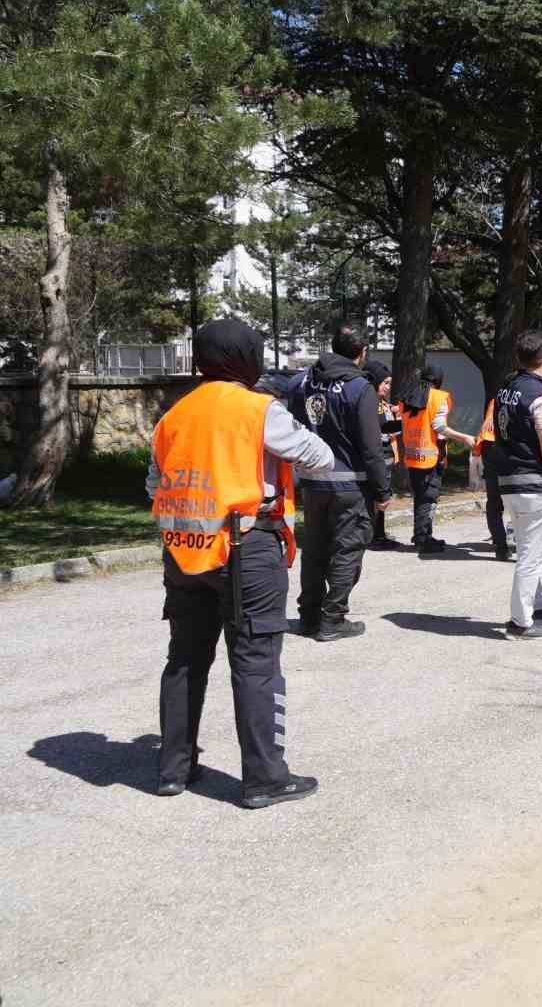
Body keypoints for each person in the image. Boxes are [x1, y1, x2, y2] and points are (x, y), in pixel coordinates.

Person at [148, 318, 333, 808]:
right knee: (255, 662)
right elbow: (320, 457)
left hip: (184, 547)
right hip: (245, 547)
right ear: (245, 357)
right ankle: (265, 779)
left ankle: (173, 768)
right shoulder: (259, 409)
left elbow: (155, 485)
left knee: (186, 658)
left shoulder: (174, 415)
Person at [287, 321, 392, 642]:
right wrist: (382, 489)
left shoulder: (300, 382)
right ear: (362, 353)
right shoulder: (360, 388)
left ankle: (308, 615)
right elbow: (371, 446)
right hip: (350, 486)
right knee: (347, 550)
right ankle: (333, 619)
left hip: (312, 482)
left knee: (315, 549)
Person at [492, 331, 542, 640]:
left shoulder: (504, 390)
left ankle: (536, 607)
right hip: (534, 484)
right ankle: (521, 623)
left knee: (527, 549)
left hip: (508, 482)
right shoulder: (541, 396)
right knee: (531, 556)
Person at [398, 365, 475, 553]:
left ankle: (421, 535)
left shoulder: (406, 398)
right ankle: (424, 539)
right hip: (431, 457)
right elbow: (439, 426)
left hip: (412, 456)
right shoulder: (439, 397)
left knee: (420, 497)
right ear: (438, 381)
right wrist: (464, 437)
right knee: (429, 498)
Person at [362, 359, 402, 549]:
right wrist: (404, 424)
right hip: (378, 454)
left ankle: (378, 533)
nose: (387, 387)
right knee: (378, 497)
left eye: (389, 384)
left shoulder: (381, 402)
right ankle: (375, 536)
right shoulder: (373, 402)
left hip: (385, 455)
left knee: (380, 497)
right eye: (385, 383)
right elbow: (383, 428)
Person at [472, 398, 510, 561]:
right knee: (518, 499)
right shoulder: (524, 394)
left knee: (494, 501)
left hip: (490, 446)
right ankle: (519, 545)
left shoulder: (497, 399)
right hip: (508, 448)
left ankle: (500, 545)